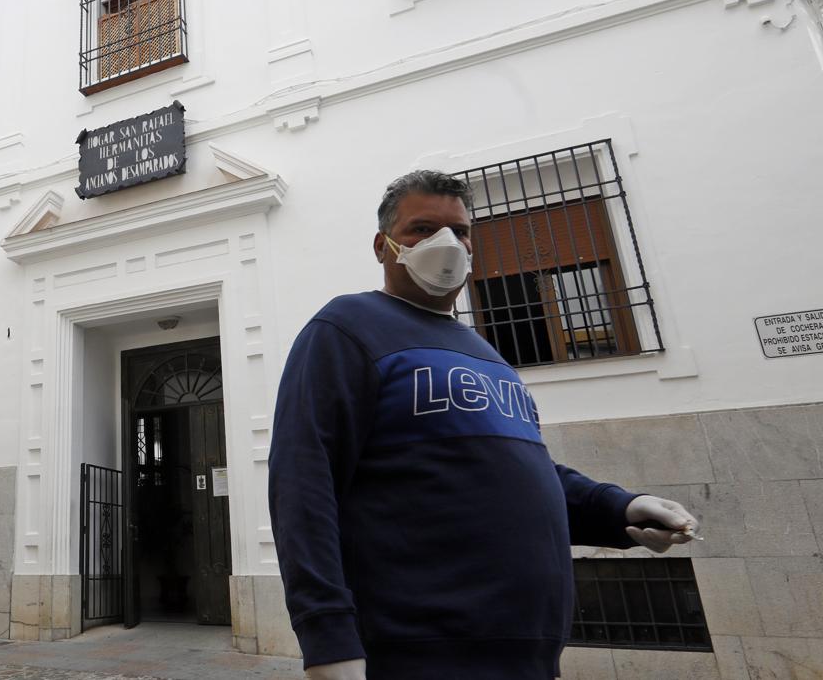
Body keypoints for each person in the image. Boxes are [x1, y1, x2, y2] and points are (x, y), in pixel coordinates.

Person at [267, 171, 700, 680]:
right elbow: (303, 479)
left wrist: (620, 506)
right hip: (421, 651)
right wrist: (329, 642)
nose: (445, 243)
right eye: (421, 229)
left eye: (459, 229)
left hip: (530, 653)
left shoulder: (484, 351)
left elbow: (521, 469)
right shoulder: (345, 327)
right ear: (384, 246)